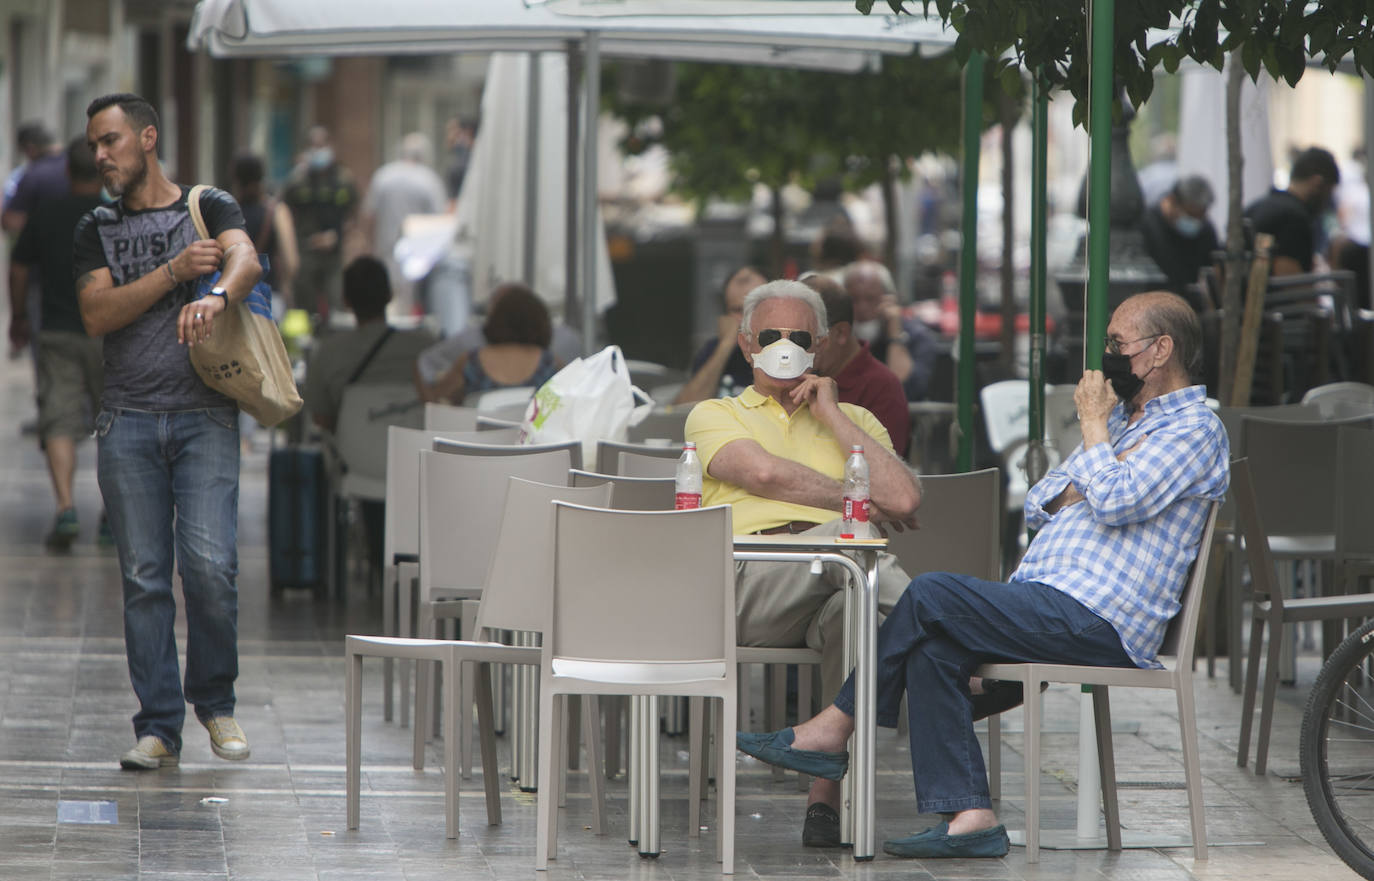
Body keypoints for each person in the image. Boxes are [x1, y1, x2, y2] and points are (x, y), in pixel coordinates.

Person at [737, 290, 1229, 860]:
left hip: (1101, 620)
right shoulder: (1123, 424)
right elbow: (1043, 500)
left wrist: (1093, 434)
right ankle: (970, 815)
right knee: (932, 648)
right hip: (1046, 604)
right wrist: (1098, 464)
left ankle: (835, 726)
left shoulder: (1193, 429)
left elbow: (1116, 502)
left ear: (1161, 349)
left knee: (930, 594)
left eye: (1118, 345)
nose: (1107, 357)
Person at [685, 278, 922, 848]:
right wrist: (854, 501)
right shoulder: (715, 413)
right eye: (771, 335)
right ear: (747, 345)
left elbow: (908, 500)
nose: (783, 345)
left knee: (855, 609)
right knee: (858, 544)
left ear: (817, 347)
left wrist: (834, 415)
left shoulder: (855, 420)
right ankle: (945, 630)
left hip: (831, 586)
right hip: (745, 585)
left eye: (798, 337)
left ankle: (826, 800)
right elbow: (763, 474)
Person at [74, 92, 262, 771]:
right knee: (145, 578)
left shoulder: (207, 204)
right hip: (125, 418)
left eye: (112, 140)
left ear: (148, 137)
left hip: (204, 414)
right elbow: (96, 312)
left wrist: (214, 294)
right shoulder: (94, 226)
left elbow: (246, 260)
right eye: (95, 142)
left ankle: (214, 700)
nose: (101, 154)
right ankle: (158, 724)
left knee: (211, 567)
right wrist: (173, 273)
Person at [9, 137, 105, 549]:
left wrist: (18, 316)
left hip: (57, 329)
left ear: (67, 171)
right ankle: (113, 516)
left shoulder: (46, 212)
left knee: (59, 419)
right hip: (107, 332)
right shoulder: (113, 215)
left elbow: (18, 265)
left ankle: (66, 508)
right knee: (114, 422)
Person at [304, 255, 438, 432]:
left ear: (346, 300)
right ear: (390, 295)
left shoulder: (328, 352)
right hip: (414, 451)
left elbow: (321, 418)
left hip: (352, 455)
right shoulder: (425, 347)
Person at [803, 274, 911, 457]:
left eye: (805, 338)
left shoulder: (882, 386)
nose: (793, 348)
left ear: (840, 333)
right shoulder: (791, 376)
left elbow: (886, 472)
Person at [412, 286, 583, 392]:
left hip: (476, 447)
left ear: (495, 321)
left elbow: (438, 401)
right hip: (533, 449)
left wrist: (419, 377)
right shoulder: (550, 363)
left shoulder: (471, 362)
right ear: (541, 322)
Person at [363, 132, 447, 314]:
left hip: (385, 248)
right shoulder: (429, 180)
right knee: (412, 306)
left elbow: (370, 216)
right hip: (419, 255)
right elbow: (440, 220)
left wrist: (370, 245)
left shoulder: (383, 176)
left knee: (387, 300)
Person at [283, 125, 357, 317]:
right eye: (313, 146)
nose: (318, 150)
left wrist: (339, 237)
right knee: (305, 308)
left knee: (336, 304)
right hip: (305, 251)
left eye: (322, 145)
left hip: (333, 253)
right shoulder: (297, 180)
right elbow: (283, 215)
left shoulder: (343, 178)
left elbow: (352, 215)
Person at [843, 260, 938, 401]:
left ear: (889, 298)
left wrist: (895, 334)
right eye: (854, 300)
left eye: (871, 299)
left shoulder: (917, 336)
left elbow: (904, 390)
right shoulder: (838, 334)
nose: (862, 308)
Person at [673, 265, 766, 404]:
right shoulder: (714, 349)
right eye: (738, 310)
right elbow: (683, 410)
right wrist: (726, 345)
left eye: (754, 308)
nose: (748, 318)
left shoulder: (790, 344)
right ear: (726, 314)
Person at [1244, 147, 1341, 277]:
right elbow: (1291, 281)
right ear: (1317, 183)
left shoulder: (1255, 207)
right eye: (1328, 193)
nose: (1326, 204)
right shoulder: (1294, 218)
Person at [229, 152, 299, 308]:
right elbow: (292, 262)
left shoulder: (226, 211)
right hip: (269, 296)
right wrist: (286, 284)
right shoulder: (276, 211)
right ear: (261, 177)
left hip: (233, 297)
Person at [1141, 175, 1221, 308]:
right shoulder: (1147, 226)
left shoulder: (1205, 231)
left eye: (1200, 217)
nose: (1195, 222)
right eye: (1190, 215)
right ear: (1172, 201)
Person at [444, 117, 475, 205]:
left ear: (467, 132)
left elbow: (454, 202)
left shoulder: (461, 161)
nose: (449, 137)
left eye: (452, 131)